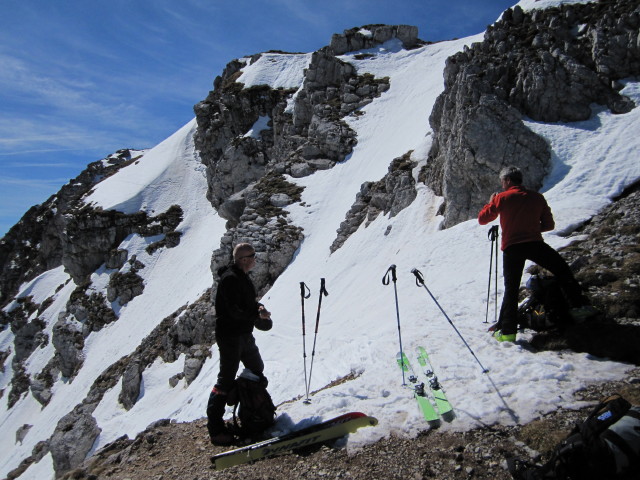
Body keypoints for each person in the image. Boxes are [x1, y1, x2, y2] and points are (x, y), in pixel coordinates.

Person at [478, 166, 596, 342]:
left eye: (503, 182)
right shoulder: (537, 197)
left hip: (512, 248)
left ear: (508, 180)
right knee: (562, 270)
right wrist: (531, 228)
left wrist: (491, 202)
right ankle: (578, 306)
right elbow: (549, 225)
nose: (502, 185)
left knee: (511, 289)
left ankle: (508, 332)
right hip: (535, 244)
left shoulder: (502, 198)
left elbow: (483, 219)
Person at [207, 243, 273, 445]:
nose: (255, 258)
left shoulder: (240, 277)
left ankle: (253, 411)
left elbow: (245, 304)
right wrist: (256, 313)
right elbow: (235, 311)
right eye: (252, 255)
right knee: (225, 381)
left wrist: (258, 307)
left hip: (243, 334)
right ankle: (216, 430)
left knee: (256, 369)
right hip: (230, 337)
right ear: (243, 259)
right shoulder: (230, 279)